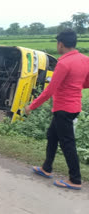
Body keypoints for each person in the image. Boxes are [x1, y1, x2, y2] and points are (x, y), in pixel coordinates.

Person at [25, 29, 89, 190]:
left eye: (57, 43)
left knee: (68, 144)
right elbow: (86, 82)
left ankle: (75, 180)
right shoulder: (85, 60)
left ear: (60, 44)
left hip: (63, 109)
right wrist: (74, 85)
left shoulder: (64, 63)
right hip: (74, 106)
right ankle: (46, 168)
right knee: (52, 135)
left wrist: (32, 106)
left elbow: (50, 90)